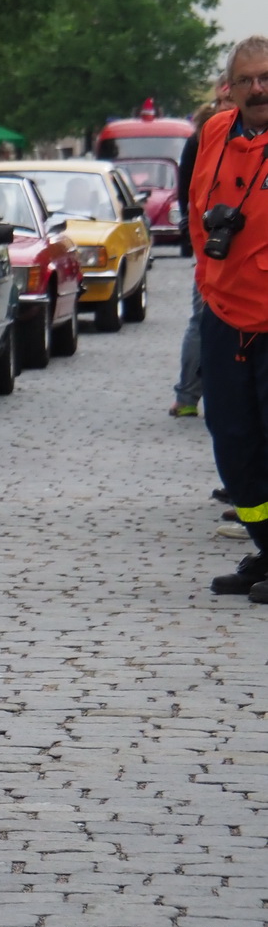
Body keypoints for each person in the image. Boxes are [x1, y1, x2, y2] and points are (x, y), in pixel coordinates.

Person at [190, 37, 268, 599]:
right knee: (232, 438)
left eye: (266, 77)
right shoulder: (216, 132)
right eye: (247, 81)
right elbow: (197, 213)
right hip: (223, 312)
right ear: (231, 88)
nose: (258, 89)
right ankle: (266, 547)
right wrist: (205, 279)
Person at [173, 96, 227, 417]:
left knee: (202, 318)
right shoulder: (206, 139)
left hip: (209, 239)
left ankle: (188, 396)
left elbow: (186, 194)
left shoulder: (199, 139)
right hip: (214, 241)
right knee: (204, 318)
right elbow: (188, 193)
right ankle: (190, 395)